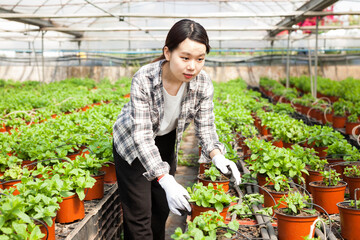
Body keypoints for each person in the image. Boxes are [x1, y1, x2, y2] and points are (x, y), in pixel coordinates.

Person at [112, 19, 241, 240]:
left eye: (200, 59)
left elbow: (206, 125)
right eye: (185, 58)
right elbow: (142, 137)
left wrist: (217, 155)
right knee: (139, 214)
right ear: (168, 53)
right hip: (133, 144)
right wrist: (166, 179)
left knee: (162, 209)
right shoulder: (144, 78)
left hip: (165, 140)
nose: (193, 66)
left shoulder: (202, 83)